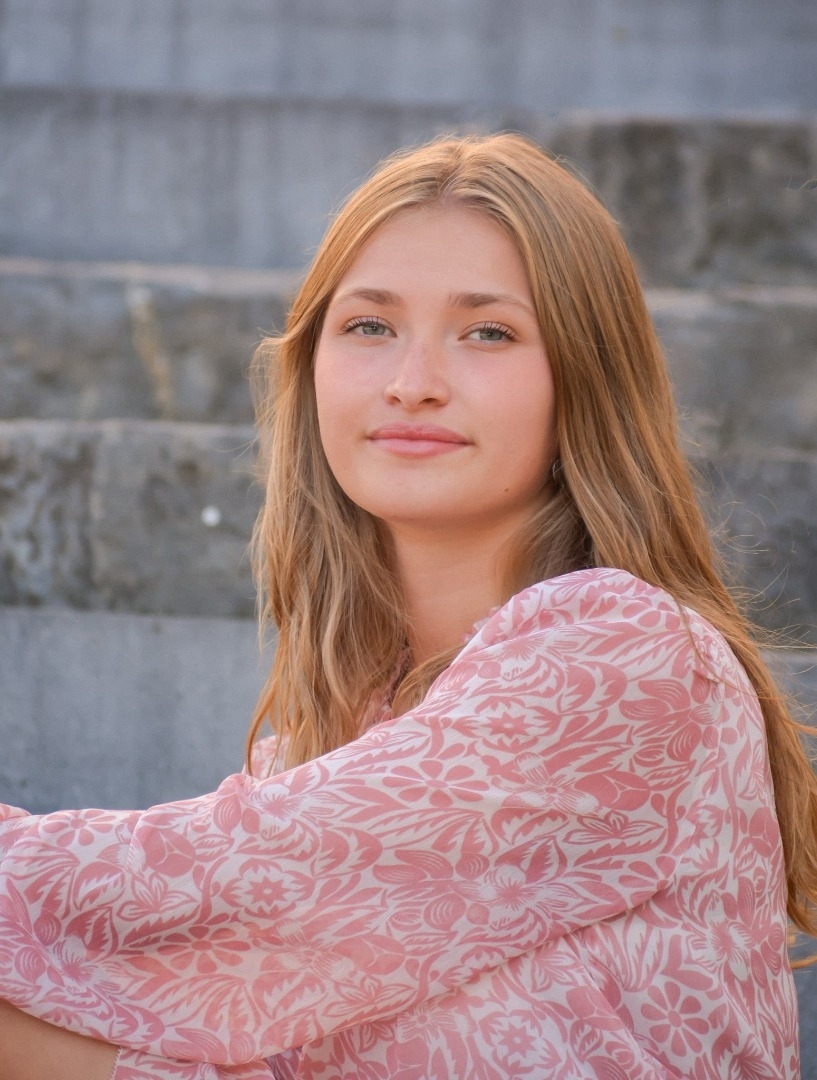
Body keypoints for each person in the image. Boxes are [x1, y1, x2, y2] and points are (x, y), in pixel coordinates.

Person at [0, 132, 815, 1080]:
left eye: (488, 332)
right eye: (369, 326)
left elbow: (216, 877)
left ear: (584, 382)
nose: (412, 383)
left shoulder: (626, 655)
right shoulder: (330, 741)